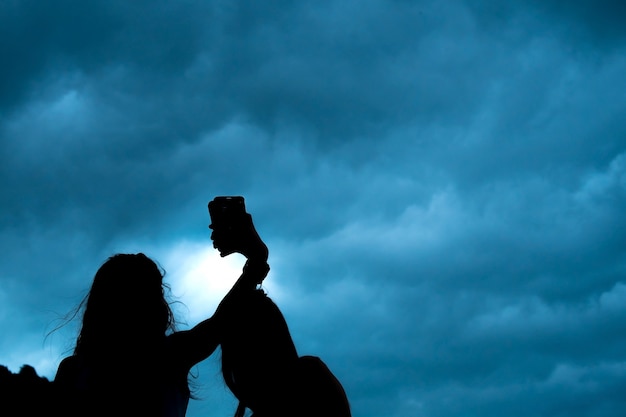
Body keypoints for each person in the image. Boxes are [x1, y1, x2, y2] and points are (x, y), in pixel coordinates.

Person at [53, 212, 270, 417]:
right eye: (158, 292)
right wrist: (256, 258)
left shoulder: (73, 371)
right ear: (154, 306)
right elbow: (222, 320)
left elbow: (221, 320)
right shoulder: (171, 357)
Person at [211, 212, 352, 417]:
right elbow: (217, 326)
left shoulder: (307, 381)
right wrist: (256, 259)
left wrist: (256, 260)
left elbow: (214, 327)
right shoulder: (312, 382)